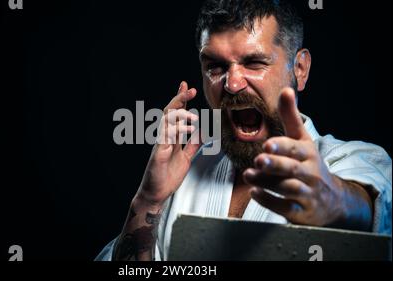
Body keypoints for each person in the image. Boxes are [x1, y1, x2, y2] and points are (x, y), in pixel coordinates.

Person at [96, 0, 392, 261]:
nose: (232, 83)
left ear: (299, 69)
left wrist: (333, 200)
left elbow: (369, 208)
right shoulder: (182, 178)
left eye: (254, 62)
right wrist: (149, 199)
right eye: (215, 66)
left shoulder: (352, 161)